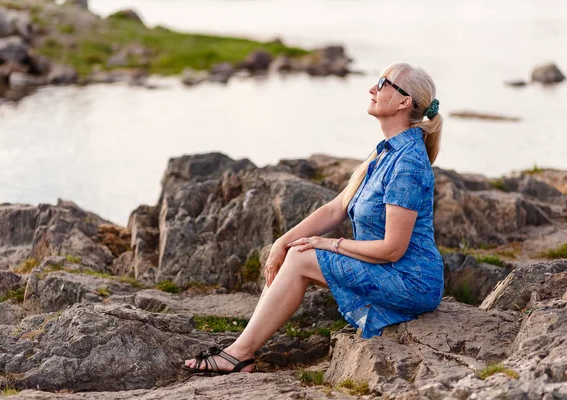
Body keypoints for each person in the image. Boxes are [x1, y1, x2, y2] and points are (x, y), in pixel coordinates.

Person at [183, 62, 444, 374]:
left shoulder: (408, 163)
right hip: (389, 270)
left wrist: (329, 244)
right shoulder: (385, 153)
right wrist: (282, 242)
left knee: (303, 257)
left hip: (411, 281)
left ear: (405, 102)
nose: (372, 89)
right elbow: (335, 209)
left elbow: (392, 249)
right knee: (294, 251)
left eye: (383, 83)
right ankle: (242, 349)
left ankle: (239, 354)